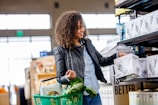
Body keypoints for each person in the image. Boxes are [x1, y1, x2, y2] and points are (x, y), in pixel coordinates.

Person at [53, 10, 126, 105]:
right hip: (77, 97)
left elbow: (101, 61)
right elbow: (59, 78)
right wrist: (68, 77)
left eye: (82, 26)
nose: (82, 30)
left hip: (94, 94)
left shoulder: (88, 43)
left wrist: (117, 56)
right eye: (78, 28)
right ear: (69, 29)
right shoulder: (61, 50)